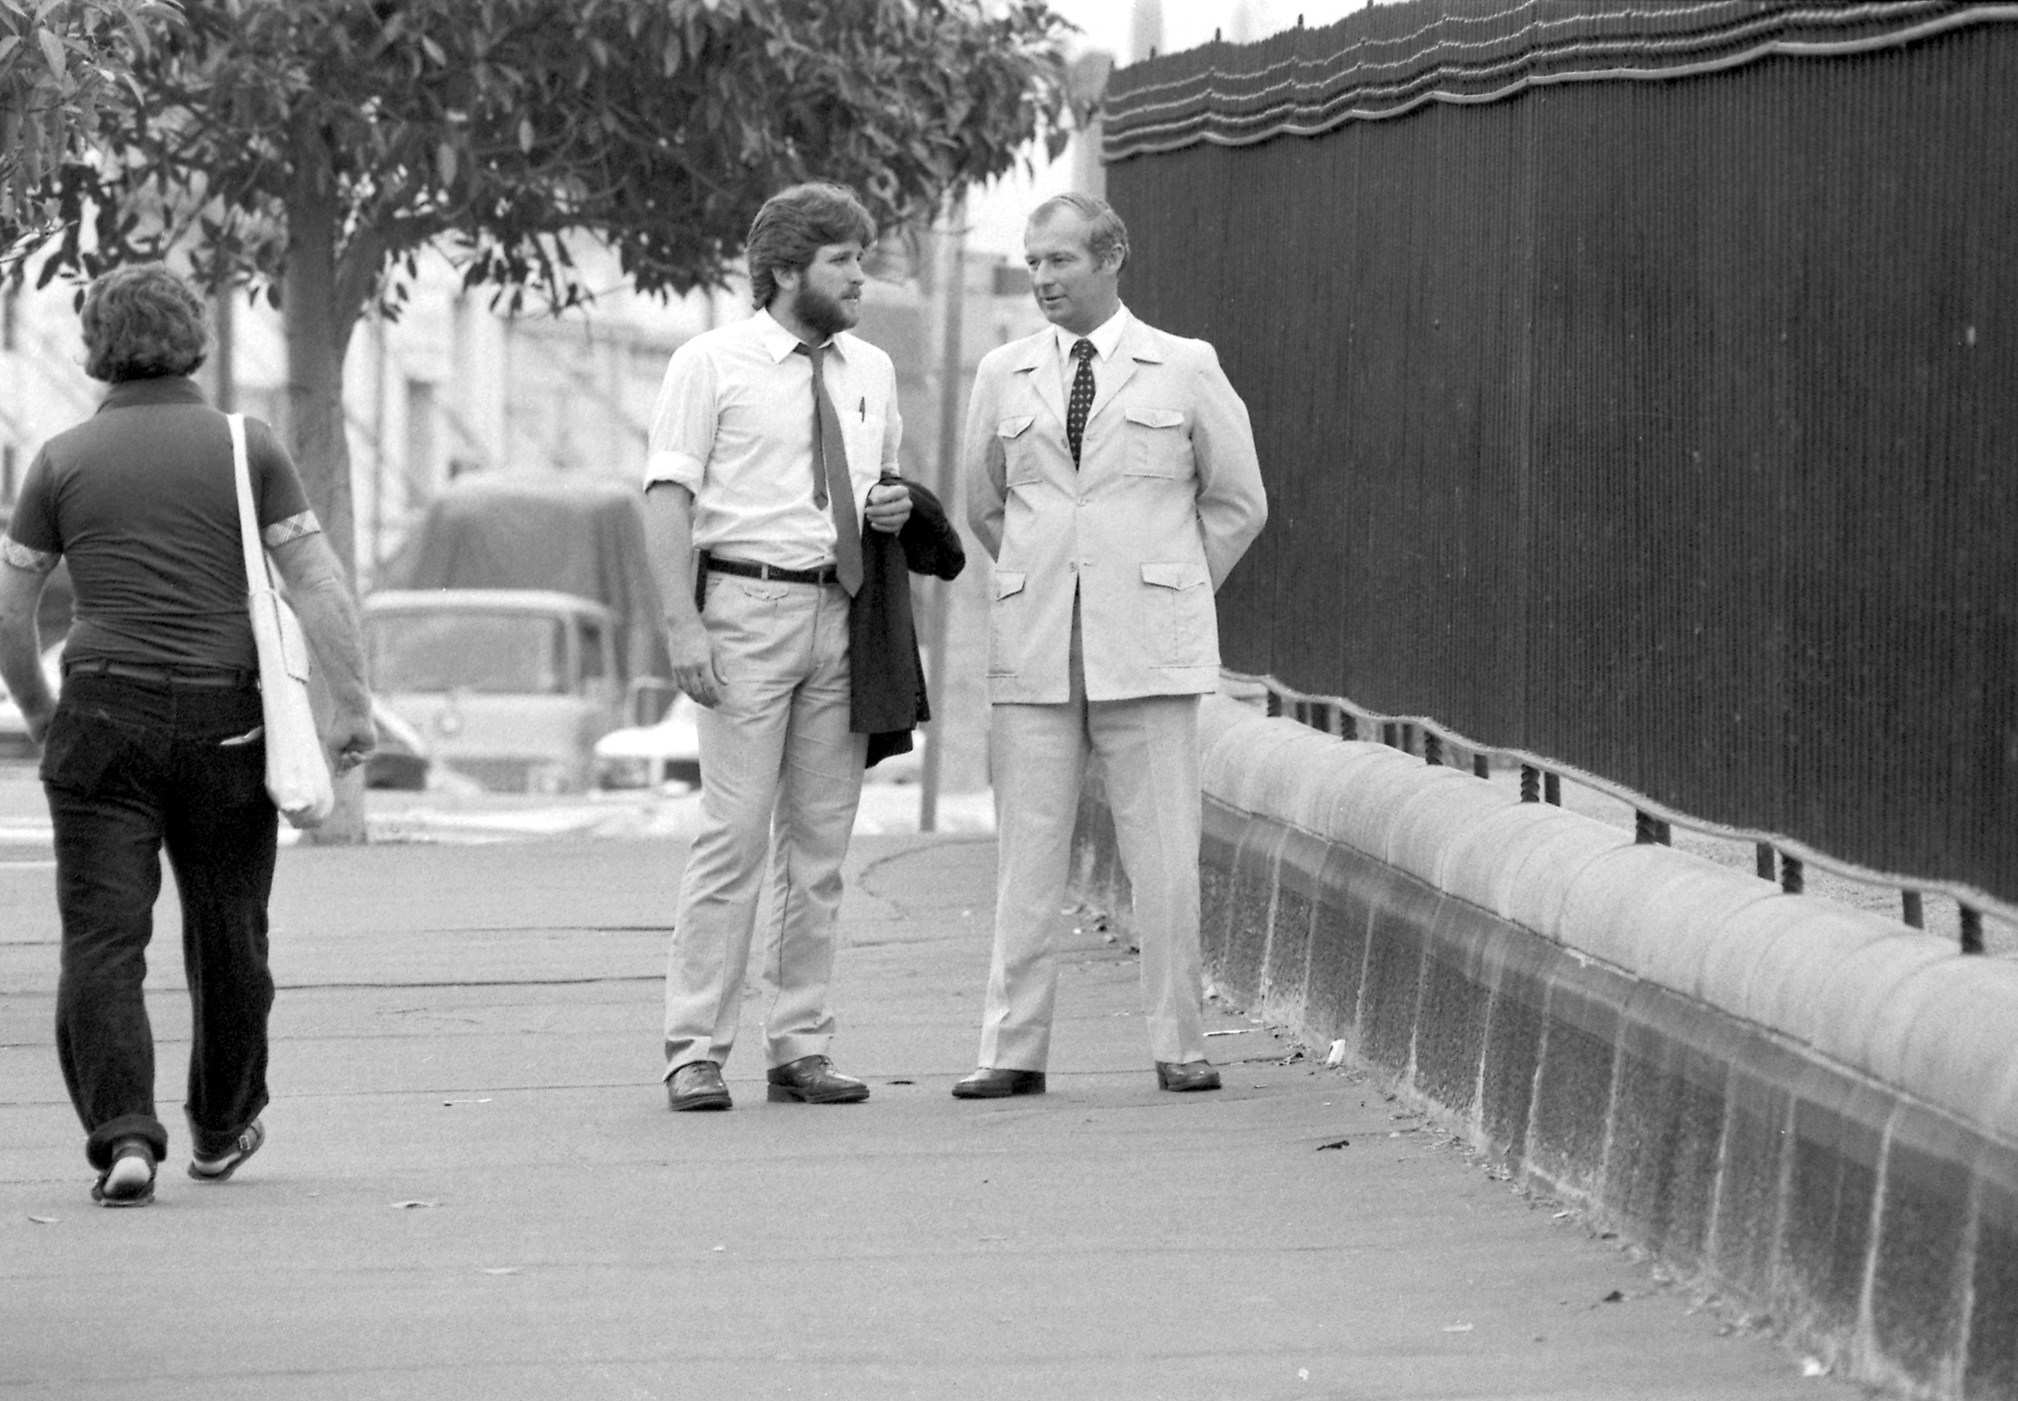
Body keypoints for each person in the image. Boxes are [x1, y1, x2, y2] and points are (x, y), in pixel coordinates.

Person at [0, 264, 375, 1206]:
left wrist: (44, 711)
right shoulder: (247, 447)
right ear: (195, 338)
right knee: (229, 933)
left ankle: (124, 1133)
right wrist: (353, 704)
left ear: (96, 348)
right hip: (225, 721)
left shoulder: (58, 459)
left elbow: (10, 608)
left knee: (101, 939)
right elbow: (317, 582)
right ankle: (219, 1123)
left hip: (100, 711)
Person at [956, 192, 1268, 1099]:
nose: (1043, 278)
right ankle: (1011, 1049)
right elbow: (986, 503)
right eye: (1033, 262)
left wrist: (1168, 579)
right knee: (1027, 851)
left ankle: (1180, 1041)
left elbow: (1238, 500)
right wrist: (1042, 574)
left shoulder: (1183, 366)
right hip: (1038, 638)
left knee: (1165, 851)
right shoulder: (1003, 373)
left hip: (1149, 642)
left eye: (1060, 260)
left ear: (1112, 256)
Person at [645, 182, 913, 1112]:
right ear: (786, 270)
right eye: (844, 261)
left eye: (861, 259)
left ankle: (799, 1042)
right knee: (733, 835)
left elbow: (879, 480)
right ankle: (695, 1048)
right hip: (743, 608)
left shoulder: (870, 369)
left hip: (843, 612)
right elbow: (667, 496)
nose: (860, 278)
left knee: (822, 845)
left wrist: (890, 504)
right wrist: (682, 625)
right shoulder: (709, 363)